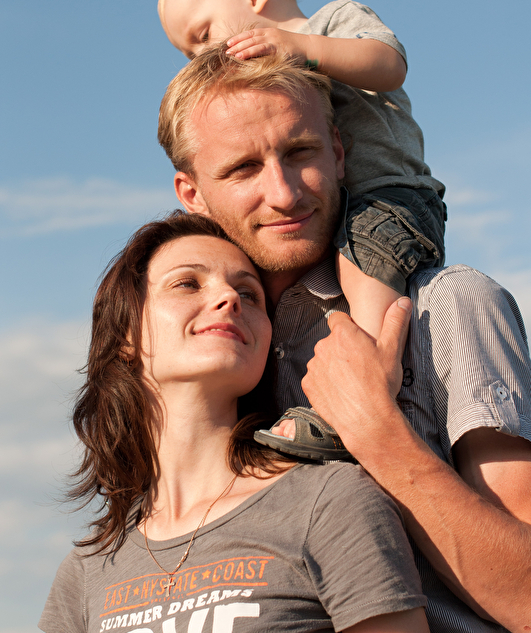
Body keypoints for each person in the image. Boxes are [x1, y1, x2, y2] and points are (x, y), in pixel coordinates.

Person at [157, 47, 531, 632]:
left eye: (299, 152)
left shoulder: (450, 308)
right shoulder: (215, 351)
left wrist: (376, 430)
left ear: (338, 150)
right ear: (191, 193)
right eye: (243, 169)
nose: (284, 193)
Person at [39, 211, 429, 633]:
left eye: (249, 293)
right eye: (188, 283)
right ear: (126, 335)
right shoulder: (86, 572)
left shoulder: (328, 502)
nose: (229, 298)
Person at [157, 0, 446, 347]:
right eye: (189, 54)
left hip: (388, 196)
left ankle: (371, 361)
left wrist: (306, 50)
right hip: (341, 209)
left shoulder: (330, 24)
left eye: (202, 36)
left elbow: (390, 64)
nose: (202, 56)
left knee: (363, 271)